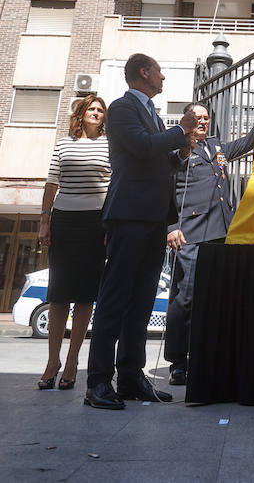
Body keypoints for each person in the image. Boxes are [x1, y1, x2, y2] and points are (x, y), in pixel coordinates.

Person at [84, 53, 197, 410]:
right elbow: (142, 147)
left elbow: (158, 159)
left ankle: (131, 376)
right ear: (144, 73)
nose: (164, 77)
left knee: (142, 301)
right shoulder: (121, 108)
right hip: (129, 215)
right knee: (116, 298)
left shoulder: (151, 112)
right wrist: (180, 130)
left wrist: (180, 151)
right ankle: (98, 383)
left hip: (152, 219)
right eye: (160, 71)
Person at [165, 103, 254, 385]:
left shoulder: (216, 147)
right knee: (185, 299)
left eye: (206, 117)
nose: (203, 122)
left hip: (221, 232)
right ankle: (178, 363)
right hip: (190, 234)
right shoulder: (177, 149)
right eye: (197, 117)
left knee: (216, 298)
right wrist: (171, 227)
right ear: (187, 119)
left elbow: (247, 143)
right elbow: (165, 187)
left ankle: (208, 357)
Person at [37, 95, 110, 390]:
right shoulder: (64, 144)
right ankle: (52, 361)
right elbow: (51, 183)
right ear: (80, 114)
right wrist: (44, 221)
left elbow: (114, 184)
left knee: (84, 295)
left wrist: (110, 224)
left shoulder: (110, 145)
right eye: (92, 108)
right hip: (63, 222)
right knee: (59, 294)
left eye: (100, 110)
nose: (96, 113)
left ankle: (71, 362)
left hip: (96, 224)